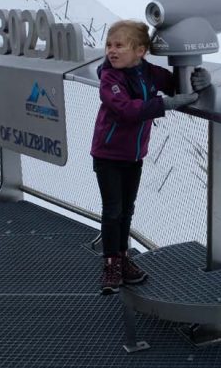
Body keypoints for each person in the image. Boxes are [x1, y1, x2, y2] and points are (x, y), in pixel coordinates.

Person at [90, 19, 211, 294]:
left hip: (133, 155)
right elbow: (126, 110)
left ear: (140, 51)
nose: (111, 50)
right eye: (109, 44)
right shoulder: (110, 77)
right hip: (108, 154)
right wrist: (165, 104)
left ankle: (122, 258)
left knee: (126, 209)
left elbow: (174, 85)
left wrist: (201, 78)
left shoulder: (147, 73)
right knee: (113, 210)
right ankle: (111, 264)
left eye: (119, 45)